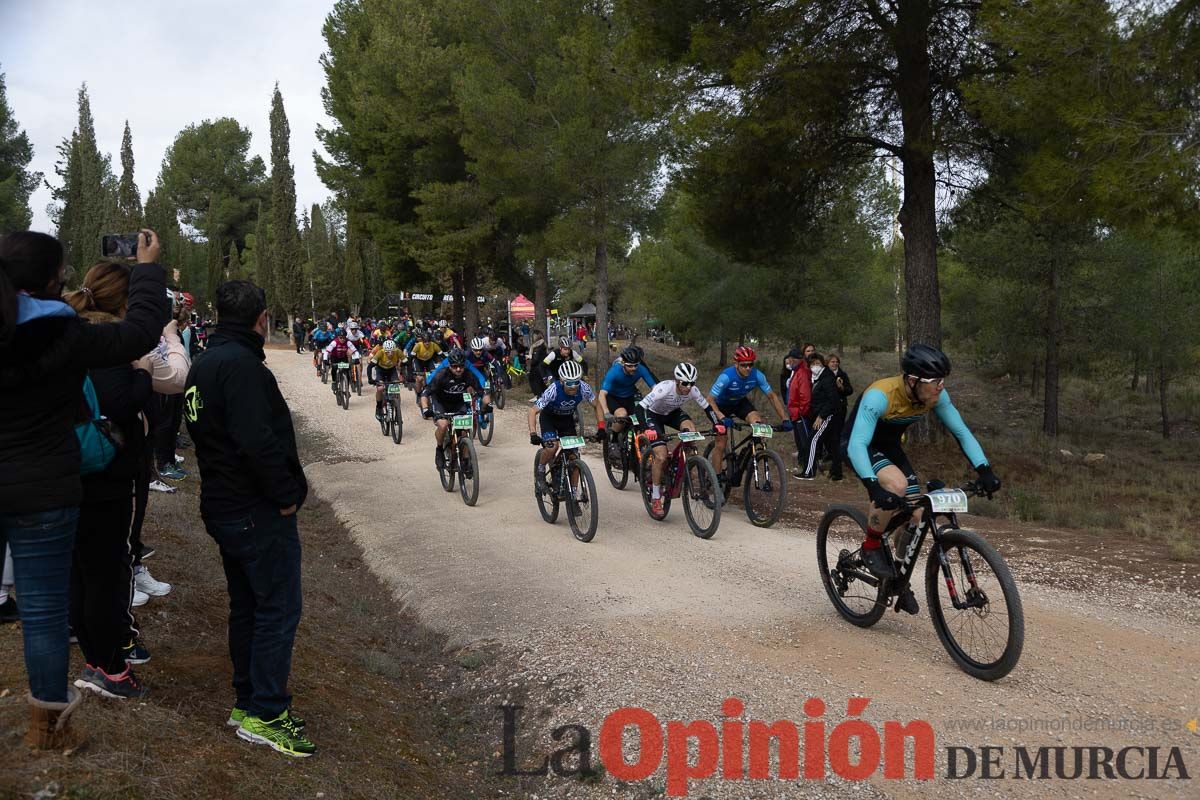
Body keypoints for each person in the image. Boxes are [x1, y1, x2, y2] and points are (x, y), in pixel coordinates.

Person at [0, 229, 168, 751]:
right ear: (53, 280)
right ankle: (48, 731)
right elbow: (140, 332)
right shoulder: (64, 333)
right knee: (46, 613)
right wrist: (145, 269)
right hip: (46, 487)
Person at [184, 279, 314, 757]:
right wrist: (285, 496)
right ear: (261, 319)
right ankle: (267, 713)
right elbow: (256, 442)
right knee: (277, 610)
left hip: (224, 504)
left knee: (249, 608)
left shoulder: (206, 361)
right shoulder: (241, 368)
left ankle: (247, 702)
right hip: (253, 509)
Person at [63, 261, 158, 700]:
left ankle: (94, 658)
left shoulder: (70, 331)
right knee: (102, 576)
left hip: (69, 468)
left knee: (81, 573)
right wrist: (141, 372)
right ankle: (109, 668)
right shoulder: (108, 343)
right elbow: (122, 403)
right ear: (123, 302)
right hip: (105, 475)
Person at [843, 345, 1001, 607]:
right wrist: (873, 487)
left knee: (917, 515)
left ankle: (897, 576)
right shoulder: (880, 396)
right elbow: (857, 444)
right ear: (913, 380)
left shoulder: (935, 396)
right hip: (858, 445)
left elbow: (961, 432)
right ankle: (871, 544)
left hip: (890, 448)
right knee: (897, 486)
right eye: (935, 381)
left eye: (943, 380)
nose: (941, 387)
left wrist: (985, 470)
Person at [638, 363, 724, 516]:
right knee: (661, 456)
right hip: (654, 416)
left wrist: (717, 424)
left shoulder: (693, 391)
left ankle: (685, 460)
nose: (689, 387)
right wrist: (647, 428)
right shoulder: (663, 388)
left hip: (672, 413)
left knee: (691, 429)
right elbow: (640, 407)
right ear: (677, 381)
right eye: (685, 383)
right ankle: (656, 496)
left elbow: (707, 409)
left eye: (692, 383)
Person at [706, 346, 793, 480]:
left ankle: (749, 456)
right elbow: (710, 400)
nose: (748, 368)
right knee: (721, 442)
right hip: (720, 406)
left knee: (758, 423)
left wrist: (785, 419)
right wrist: (721, 417)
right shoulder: (726, 377)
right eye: (744, 365)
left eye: (751, 364)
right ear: (736, 364)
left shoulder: (757, 375)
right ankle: (716, 476)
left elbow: (772, 396)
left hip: (739, 403)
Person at [527, 360, 604, 491]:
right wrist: (533, 434)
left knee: (574, 456)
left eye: (576, 382)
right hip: (549, 419)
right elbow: (532, 411)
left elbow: (597, 405)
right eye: (570, 383)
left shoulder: (584, 388)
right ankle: (540, 471)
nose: (574, 386)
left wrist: (601, 427)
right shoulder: (553, 390)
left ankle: (573, 494)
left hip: (566, 420)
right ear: (562, 381)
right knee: (553, 447)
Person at [420, 348, 491, 468]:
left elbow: (481, 392)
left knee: (464, 431)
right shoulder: (441, 375)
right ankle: (439, 450)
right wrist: (426, 409)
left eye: (461, 366)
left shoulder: (468, 375)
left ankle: (466, 460)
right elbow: (425, 394)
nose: (458, 369)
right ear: (449, 366)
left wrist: (486, 405)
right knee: (443, 425)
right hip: (440, 403)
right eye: (454, 366)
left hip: (458, 402)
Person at [598, 346, 657, 444]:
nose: (633, 368)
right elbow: (602, 394)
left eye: (636, 365)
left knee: (641, 415)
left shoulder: (641, 369)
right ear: (623, 364)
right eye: (630, 366)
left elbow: (655, 389)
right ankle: (614, 440)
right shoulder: (614, 371)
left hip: (630, 395)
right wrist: (606, 412)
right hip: (613, 397)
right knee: (622, 414)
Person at [795, 353, 839, 480]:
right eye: (813, 364)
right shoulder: (816, 378)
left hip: (826, 416)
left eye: (818, 364)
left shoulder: (827, 378)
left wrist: (821, 416)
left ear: (822, 364)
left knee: (813, 440)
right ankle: (836, 473)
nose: (815, 366)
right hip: (818, 414)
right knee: (831, 444)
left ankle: (809, 472)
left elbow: (832, 400)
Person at [783, 348, 813, 473]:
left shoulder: (802, 372)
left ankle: (809, 468)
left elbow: (805, 396)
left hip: (801, 414)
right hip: (795, 413)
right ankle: (803, 464)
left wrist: (801, 412)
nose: (789, 361)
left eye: (791, 359)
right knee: (800, 441)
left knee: (805, 441)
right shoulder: (796, 371)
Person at [824, 354, 853, 480]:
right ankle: (832, 463)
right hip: (826, 409)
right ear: (827, 363)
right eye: (832, 362)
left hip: (839, 409)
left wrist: (841, 388)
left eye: (836, 362)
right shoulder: (824, 375)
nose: (835, 364)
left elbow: (849, 390)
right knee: (828, 437)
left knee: (836, 437)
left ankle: (837, 470)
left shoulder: (842, 375)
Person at [368, 338, 405, 420]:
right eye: (388, 351)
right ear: (384, 351)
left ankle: (397, 409)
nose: (390, 353)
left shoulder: (398, 352)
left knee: (396, 387)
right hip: (380, 371)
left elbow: (406, 363)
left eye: (392, 351)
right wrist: (370, 379)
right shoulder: (380, 353)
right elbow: (370, 367)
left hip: (392, 370)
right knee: (380, 388)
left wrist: (405, 375)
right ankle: (378, 408)